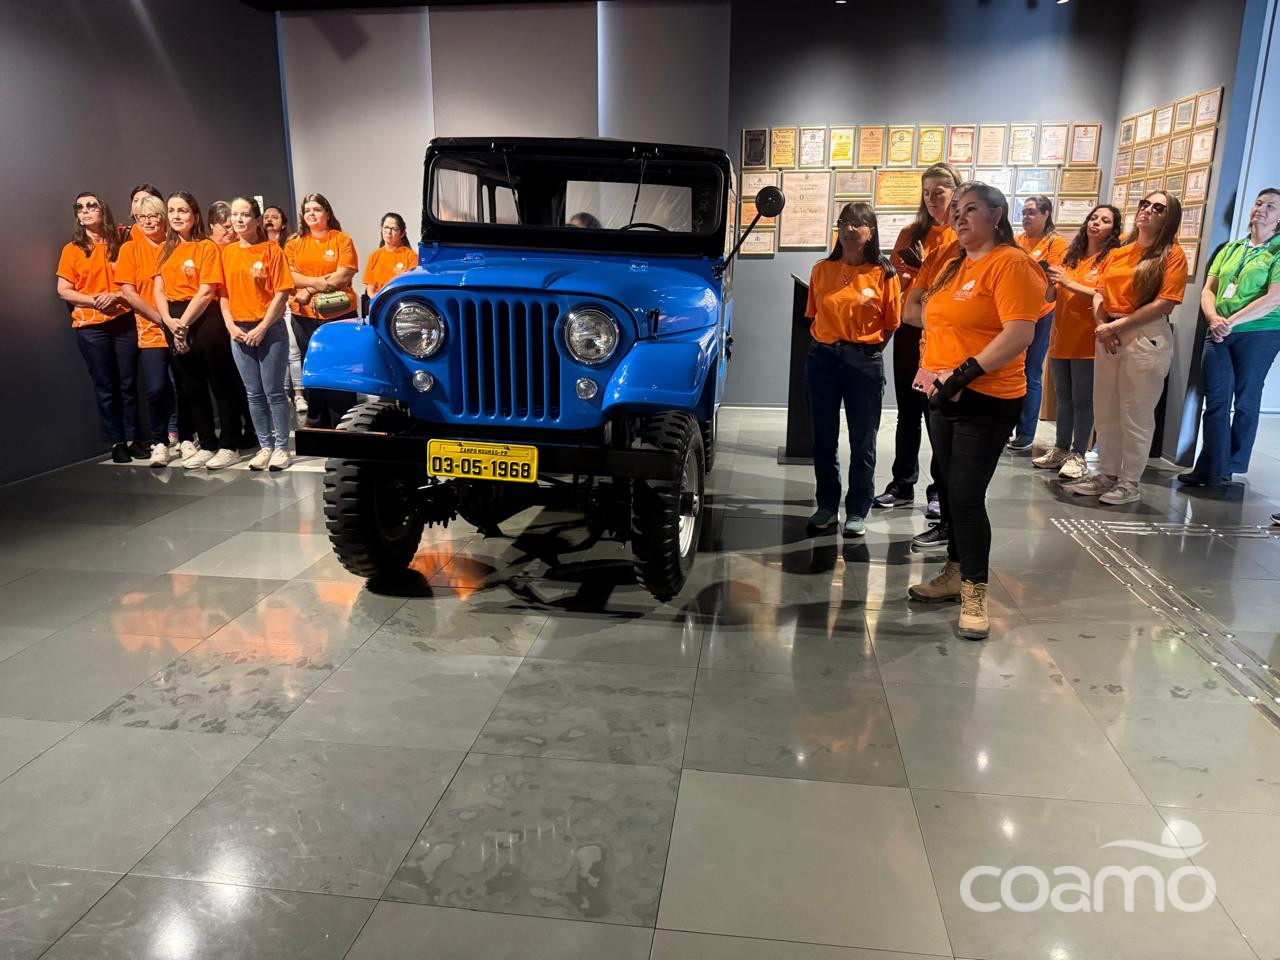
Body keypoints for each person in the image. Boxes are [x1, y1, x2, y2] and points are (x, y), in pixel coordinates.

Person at [906, 182, 1043, 639]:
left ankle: (975, 593)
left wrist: (964, 372)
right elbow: (924, 315)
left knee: (965, 496)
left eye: (971, 210)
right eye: (957, 212)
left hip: (987, 397)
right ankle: (953, 571)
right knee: (947, 488)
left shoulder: (1012, 264)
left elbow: (1019, 333)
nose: (959, 218)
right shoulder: (954, 264)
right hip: (942, 394)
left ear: (997, 215)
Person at [1070, 191, 1188, 504]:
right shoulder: (1121, 249)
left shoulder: (1171, 254)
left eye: (1158, 207)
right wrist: (1103, 326)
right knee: (1105, 409)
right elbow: (1099, 291)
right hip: (1109, 331)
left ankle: (1129, 481)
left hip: (1143, 334)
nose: (1148, 210)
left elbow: (1165, 303)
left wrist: (1116, 327)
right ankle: (1106, 473)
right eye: (1145, 204)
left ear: (1168, 217)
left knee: (1135, 412)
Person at [803, 202, 902, 537]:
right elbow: (813, 316)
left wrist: (866, 351)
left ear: (870, 232)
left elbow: (891, 324)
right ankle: (827, 506)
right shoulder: (821, 270)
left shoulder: (885, 275)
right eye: (844, 222)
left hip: (863, 362)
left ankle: (858, 509)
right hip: (823, 359)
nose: (849, 228)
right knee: (823, 437)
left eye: (858, 223)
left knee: (863, 440)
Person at [876, 163, 962, 520]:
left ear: (955, 192)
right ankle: (901, 482)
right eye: (926, 192)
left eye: (939, 191)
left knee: (937, 412)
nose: (931, 199)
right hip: (911, 331)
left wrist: (924, 278)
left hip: (943, 337)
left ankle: (940, 490)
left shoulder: (962, 235)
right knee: (908, 410)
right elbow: (897, 282)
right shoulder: (911, 233)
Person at [1180, 188, 1280, 485]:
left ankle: (1231, 465)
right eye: (1258, 203)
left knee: (1246, 399)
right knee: (1217, 398)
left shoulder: (1277, 251)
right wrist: (1213, 317)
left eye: (1271, 207)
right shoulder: (1231, 248)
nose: (1261, 209)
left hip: (1259, 332)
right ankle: (1210, 466)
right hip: (1219, 330)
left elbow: (1274, 298)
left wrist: (1230, 321)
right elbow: (1208, 289)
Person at [154, 191, 242, 469]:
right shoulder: (164, 250)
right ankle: (207, 443)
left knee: (220, 384)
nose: (176, 216)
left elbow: (207, 291)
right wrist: (169, 321)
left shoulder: (206, 247)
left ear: (194, 215)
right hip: (174, 318)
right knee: (191, 386)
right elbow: (158, 289)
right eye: (172, 211)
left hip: (204, 319)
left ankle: (229, 445)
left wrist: (183, 325)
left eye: (182, 210)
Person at [1035, 205, 1123, 479]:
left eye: (1105, 220)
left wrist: (1069, 283)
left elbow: (1105, 294)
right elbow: (1050, 298)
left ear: (1113, 229)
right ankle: (1060, 448)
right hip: (1062, 337)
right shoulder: (1070, 257)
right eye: (1094, 218)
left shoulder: (1113, 258)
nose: (1096, 223)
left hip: (1089, 340)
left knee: (1083, 400)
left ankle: (1079, 454)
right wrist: (1051, 282)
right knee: (1063, 399)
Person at [56, 192, 143, 463]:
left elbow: (136, 282)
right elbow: (63, 290)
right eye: (80, 208)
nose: (85, 211)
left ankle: (134, 438)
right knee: (105, 385)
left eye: (91, 206)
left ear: (103, 210)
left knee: (128, 383)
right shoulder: (72, 250)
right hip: (91, 326)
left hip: (123, 320)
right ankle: (116, 441)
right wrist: (94, 300)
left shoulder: (121, 245)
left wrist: (115, 296)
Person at [220, 197, 295, 471]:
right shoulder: (227, 253)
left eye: (245, 215)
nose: (239, 220)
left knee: (274, 391)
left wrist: (262, 327)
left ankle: (281, 448)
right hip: (239, 330)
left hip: (269, 329)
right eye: (235, 214)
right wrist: (230, 326)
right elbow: (223, 293)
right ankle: (265, 446)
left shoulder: (272, 250)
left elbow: (282, 293)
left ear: (257, 219)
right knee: (253, 393)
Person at [286, 192, 359, 428]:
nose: (311, 214)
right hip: (304, 317)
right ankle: (317, 423)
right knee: (313, 369)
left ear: (327, 213)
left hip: (339, 316)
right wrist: (315, 285)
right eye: (307, 210)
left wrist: (307, 289)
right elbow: (289, 275)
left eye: (316, 209)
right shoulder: (294, 243)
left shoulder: (341, 240)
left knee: (340, 368)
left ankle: (344, 422)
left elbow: (344, 273)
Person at [114, 193, 173, 466]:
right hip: (151, 329)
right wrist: (159, 317)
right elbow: (128, 291)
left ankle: (187, 437)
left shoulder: (174, 245)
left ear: (164, 217)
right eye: (142, 217)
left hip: (182, 325)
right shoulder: (130, 249)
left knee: (185, 385)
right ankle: (159, 441)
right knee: (156, 387)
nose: (148, 221)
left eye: (154, 215)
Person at [1009, 195, 1067, 451]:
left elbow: (1051, 272)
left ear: (1046, 214)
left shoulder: (1056, 242)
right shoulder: (1017, 240)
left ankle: (1026, 433)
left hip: (1042, 313)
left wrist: (1028, 266)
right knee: (1010, 371)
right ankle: (1005, 428)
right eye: (1023, 213)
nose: (1026, 217)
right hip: (1015, 311)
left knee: (1031, 372)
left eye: (1031, 212)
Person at [264, 204, 306, 416]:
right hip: (264, 307)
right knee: (274, 355)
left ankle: (298, 394)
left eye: (274, 217)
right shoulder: (257, 246)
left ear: (283, 223)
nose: (269, 220)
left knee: (292, 350)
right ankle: (282, 394)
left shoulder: (289, 245)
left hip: (287, 303)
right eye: (266, 217)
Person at [363, 212, 419, 299]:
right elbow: (370, 290)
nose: (389, 232)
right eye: (386, 228)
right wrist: (379, 300)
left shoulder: (411, 256)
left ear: (402, 233)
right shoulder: (374, 256)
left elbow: (411, 286)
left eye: (394, 229)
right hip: (378, 301)